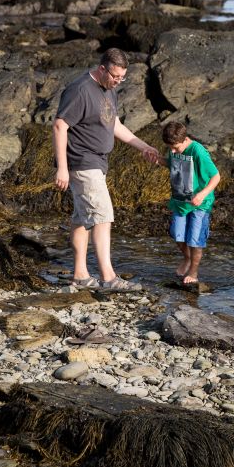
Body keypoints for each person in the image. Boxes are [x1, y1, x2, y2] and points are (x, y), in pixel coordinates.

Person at [53, 48, 160, 290]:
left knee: (82, 219)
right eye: (115, 76)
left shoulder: (109, 90)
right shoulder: (80, 90)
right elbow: (60, 125)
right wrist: (62, 168)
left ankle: (80, 275)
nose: (118, 81)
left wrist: (143, 146)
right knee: (103, 216)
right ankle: (109, 278)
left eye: (122, 77)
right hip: (82, 161)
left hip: (98, 162)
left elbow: (114, 123)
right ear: (102, 69)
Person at [162, 121, 220, 285]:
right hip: (180, 201)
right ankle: (187, 259)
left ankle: (193, 272)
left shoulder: (198, 151)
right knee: (177, 234)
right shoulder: (174, 147)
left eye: (175, 148)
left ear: (185, 139)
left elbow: (216, 176)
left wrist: (201, 195)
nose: (173, 151)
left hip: (200, 204)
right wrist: (158, 160)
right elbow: (172, 164)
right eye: (170, 148)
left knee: (195, 240)